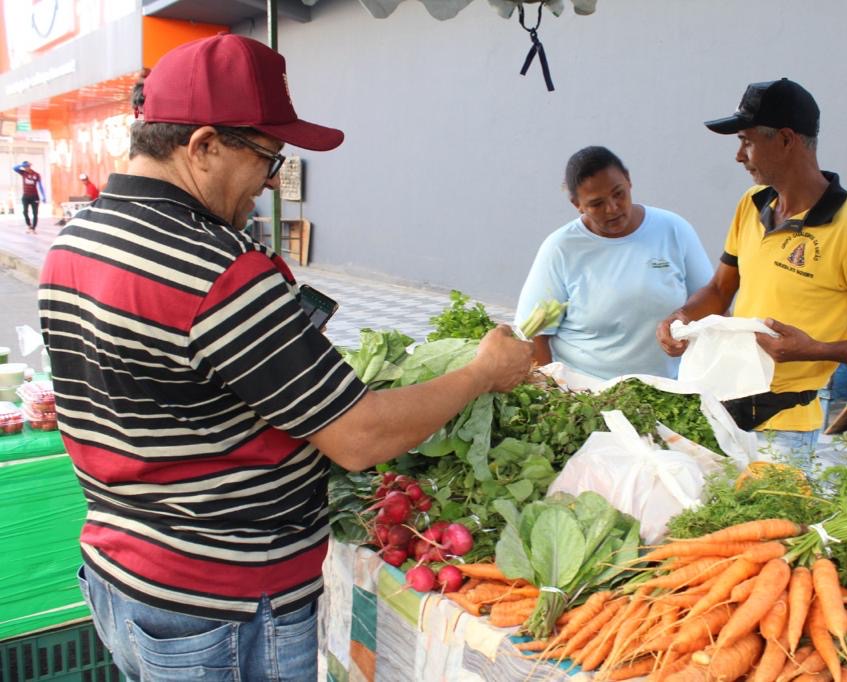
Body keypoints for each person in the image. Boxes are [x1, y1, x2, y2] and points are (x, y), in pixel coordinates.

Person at [37, 34, 532, 681]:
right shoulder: (215, 268)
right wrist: (480, 373)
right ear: (204, 145)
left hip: (124, 578)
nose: (269, 182)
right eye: (268, 159)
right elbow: (360, 435)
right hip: (224, 608)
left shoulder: (73, 243)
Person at [656, 78, 847, 462]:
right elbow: (721, 290)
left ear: (787, 139)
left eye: (747, 141)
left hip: (786, 430)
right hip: (722, 408)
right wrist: (681, 317)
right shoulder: (752, 203)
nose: (739, 157)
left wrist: (817, 349)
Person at [516, 145, 714, 379]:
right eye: (596, 204)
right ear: (576, 204)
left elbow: (713, 303)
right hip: (584, 396)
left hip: (670, 390)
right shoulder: (560, 248)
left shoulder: (673, 229)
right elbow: (533, 335)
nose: (612, 208)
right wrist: (552, 393)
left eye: (618, 194)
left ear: (629, 181)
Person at [13, 160, 45, 233]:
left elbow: (40, 186)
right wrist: (21, 165)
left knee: (35, 212)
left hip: (34, 196)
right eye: (24, 167)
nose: (26, 168)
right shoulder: (23, 173)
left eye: (27, 166)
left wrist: (43, 196)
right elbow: (14, 168)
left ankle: (33, 228)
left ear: (30, 166)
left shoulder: (36, 174)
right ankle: (29, 225)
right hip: (26, 196)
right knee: (25, 211)